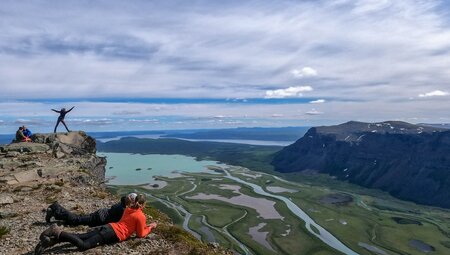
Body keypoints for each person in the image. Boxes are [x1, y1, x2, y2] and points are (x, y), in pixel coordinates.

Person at [35, 193, 157, 254]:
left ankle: (52, 240)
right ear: (142, 204)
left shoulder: (127, 209)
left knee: (80, 236)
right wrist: (150, 227)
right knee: (83, 245)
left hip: (108, 226)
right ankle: (56, 230)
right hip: (110, 231)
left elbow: (129, 221)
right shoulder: (139, 215)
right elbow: (141, 234)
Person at [45, 193, 136, 227]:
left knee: (77, 219)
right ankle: (55, 208)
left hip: (100, 214)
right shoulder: (123, 209)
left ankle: (56, 214)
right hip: (99, 218)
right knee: (76, 220)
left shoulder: (122, 203)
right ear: (131, 201)